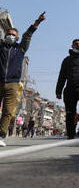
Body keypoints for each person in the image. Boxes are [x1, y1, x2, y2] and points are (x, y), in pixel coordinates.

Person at [0, 12, 46, 147]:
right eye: (8, 34)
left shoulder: (20, 49)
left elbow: (28, 35)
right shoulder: (1, 47)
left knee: (8, 112)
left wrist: (37, 22)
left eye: (13, 35)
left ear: (17, 37)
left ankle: (1, 134)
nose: (10, 36)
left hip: (13, 84)